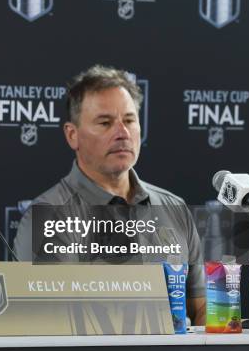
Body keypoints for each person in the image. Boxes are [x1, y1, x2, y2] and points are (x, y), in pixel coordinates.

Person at [13, 65, 206, 325]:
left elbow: (201, 309)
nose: (122, 133)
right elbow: (47, 323)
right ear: (72, 135)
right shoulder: (48, 216)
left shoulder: (174, 207)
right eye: (105, 123)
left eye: (129, 120)